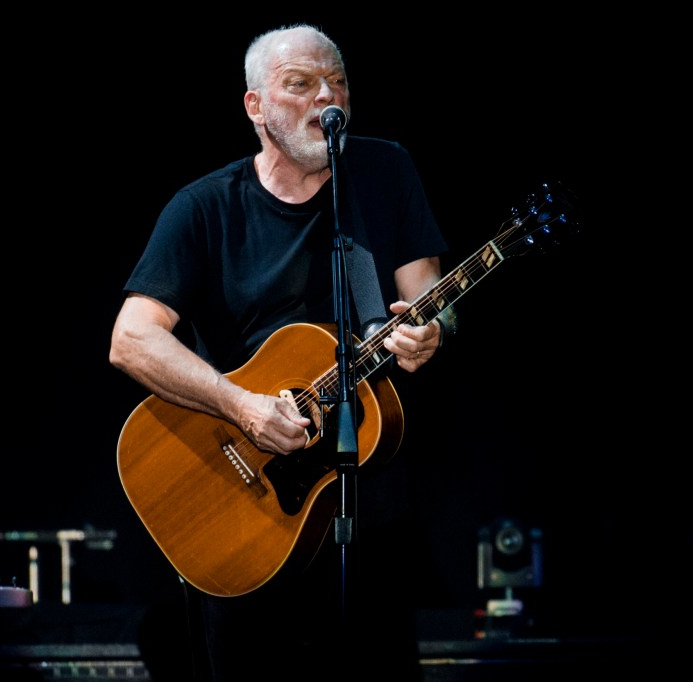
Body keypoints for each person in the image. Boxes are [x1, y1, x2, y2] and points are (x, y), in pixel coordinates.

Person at [110, 23, 455, 681]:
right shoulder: (206, 206)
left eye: (339, 82)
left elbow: (430, 297)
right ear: (256, 107)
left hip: (365, 504)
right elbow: (131, 338)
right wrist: (242, 406)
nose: (329, 100)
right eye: (301, 85)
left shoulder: (385, 173)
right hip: (244, 512)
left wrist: (434, 329)